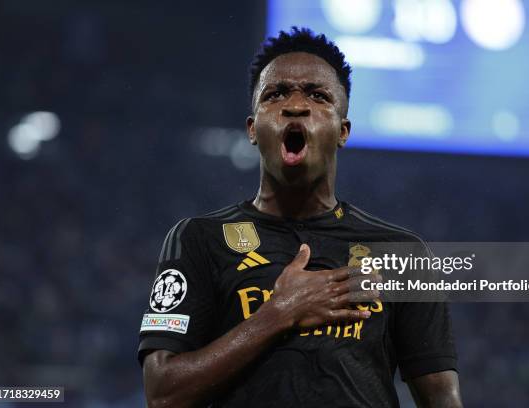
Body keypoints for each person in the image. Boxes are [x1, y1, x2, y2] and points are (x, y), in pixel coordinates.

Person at [139, 27, 462, 407]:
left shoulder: (402, 253)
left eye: (317, 94)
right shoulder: (198, 239)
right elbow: (162, 393)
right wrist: (279, 313)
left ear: (342, 131)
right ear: (252, 129)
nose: (295, 105)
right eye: (275, 95)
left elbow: (442, 399)